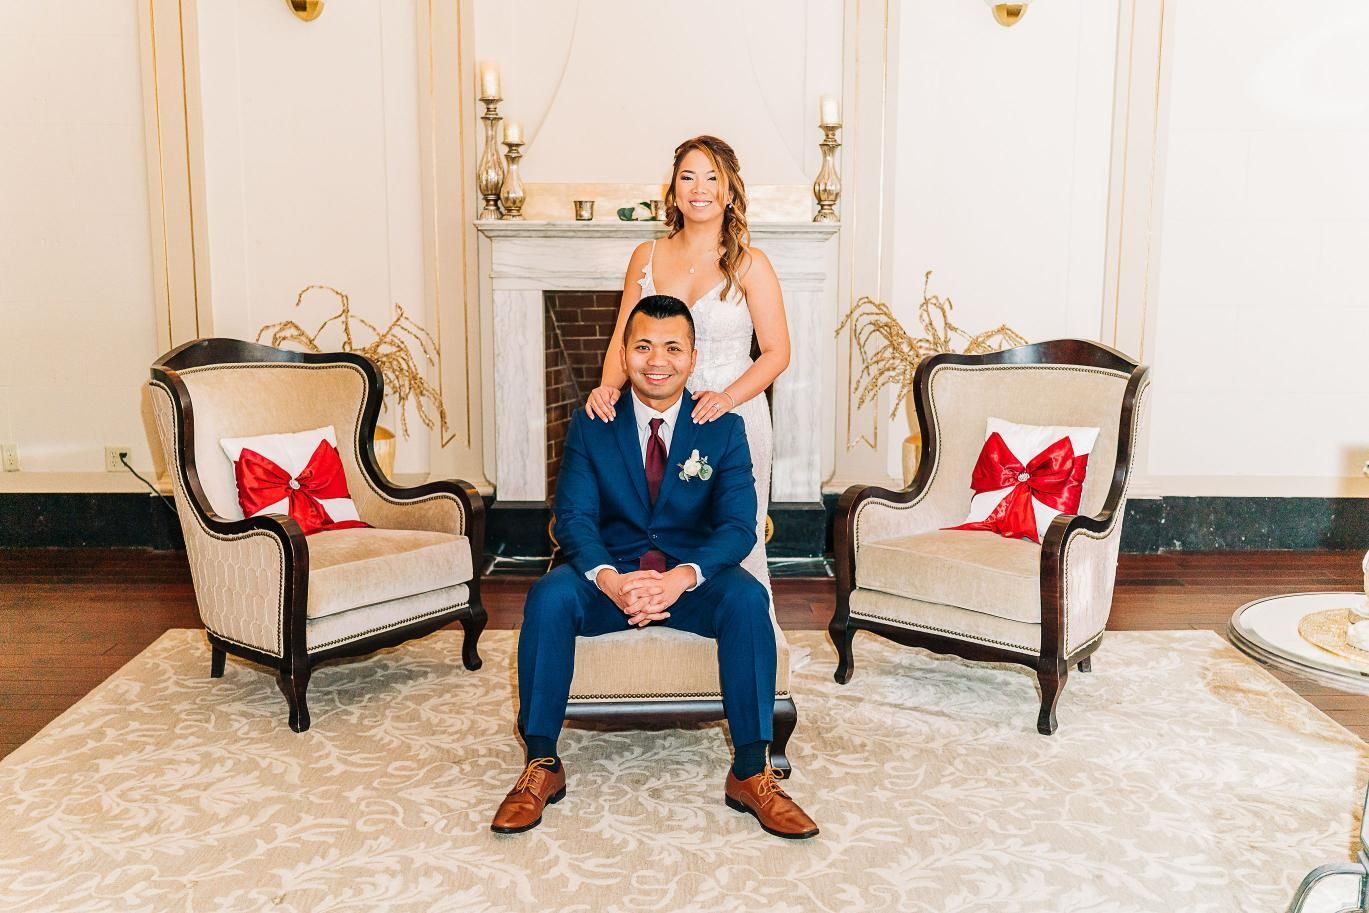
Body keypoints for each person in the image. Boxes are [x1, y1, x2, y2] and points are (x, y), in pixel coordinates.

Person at [491, 295, 817, 840]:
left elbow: (740, 526)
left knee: (746, 599)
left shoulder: (722, 427)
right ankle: (543, 763)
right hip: (611, 576)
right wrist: (610, 580)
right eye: (642, 346)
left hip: (688, 579)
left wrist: (682, 577)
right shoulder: (594, 423)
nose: (657, 360)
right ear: (624, 352)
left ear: (692, 357)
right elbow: (571, 518)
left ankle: (752, 771)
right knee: (548, 597)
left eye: (672, 347)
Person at [585, 135, 789, 589]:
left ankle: (745, 630)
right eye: (688, 177)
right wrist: (607, 389)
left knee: (736, 530)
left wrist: (727, 398)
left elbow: (777, 352)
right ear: (674, 188)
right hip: (661, 411)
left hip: (734, 410)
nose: (700, 188)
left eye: (713, 178)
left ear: (730, 190)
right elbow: (624, 338)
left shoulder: (751, 264)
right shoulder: (647, 256)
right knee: (666, 524)